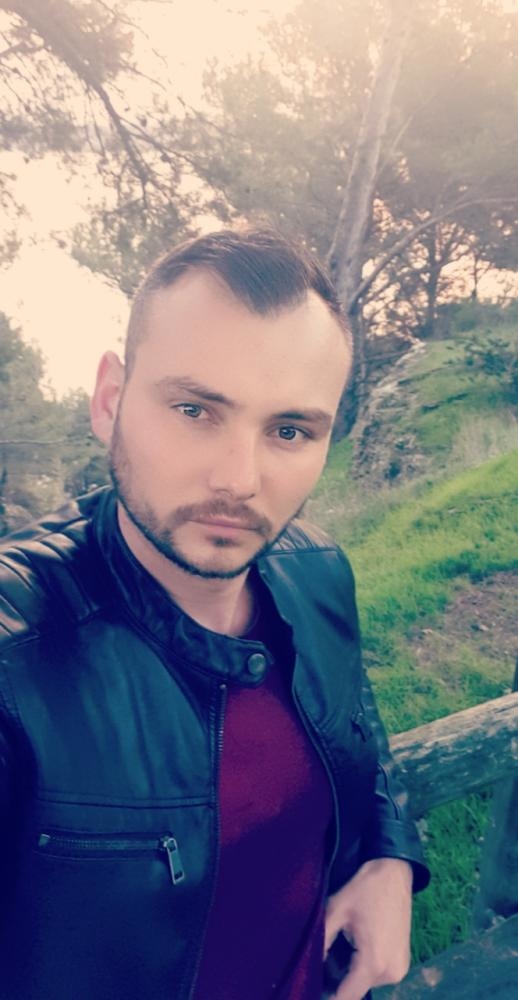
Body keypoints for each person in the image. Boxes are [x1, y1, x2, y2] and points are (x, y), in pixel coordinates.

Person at [0, 228, 429, 1000]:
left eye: (289, 431)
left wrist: (389, 856)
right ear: (110, 400)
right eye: (195, 409)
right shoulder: (18, 649)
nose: (239, 478)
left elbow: (356, 717)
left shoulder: (316, 570)